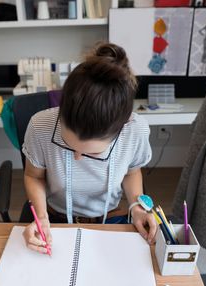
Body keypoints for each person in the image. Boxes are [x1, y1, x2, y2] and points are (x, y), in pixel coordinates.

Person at [22, 42, 157, 254]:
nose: (78, 158)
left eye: (93, 153)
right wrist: (40, 218)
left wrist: (137, 208)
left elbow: (132, 172)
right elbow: (34, 176)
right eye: (68, 145)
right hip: (54, 219)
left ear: (121, 129)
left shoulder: (135, 130)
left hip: (112, 218)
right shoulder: (40, 126)